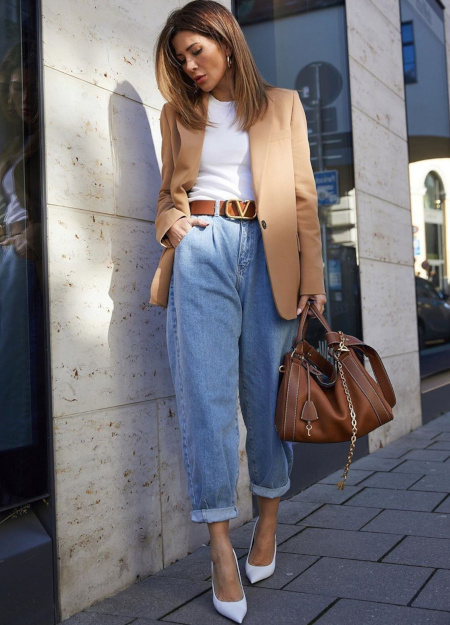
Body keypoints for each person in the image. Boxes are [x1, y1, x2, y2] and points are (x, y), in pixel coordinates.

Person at [151, 1, 326, 621]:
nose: (190, 65)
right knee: (206, 399)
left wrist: (314, 279)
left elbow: (304, 198)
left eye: (197, 50)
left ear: (226, 40)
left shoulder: (282, 105)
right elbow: (168, 194)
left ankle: (269, 522)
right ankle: (221, 551)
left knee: (266, 394)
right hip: (202, 251)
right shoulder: (179, 114)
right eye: (180, 58)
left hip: (269, 253)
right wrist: (175, 230)